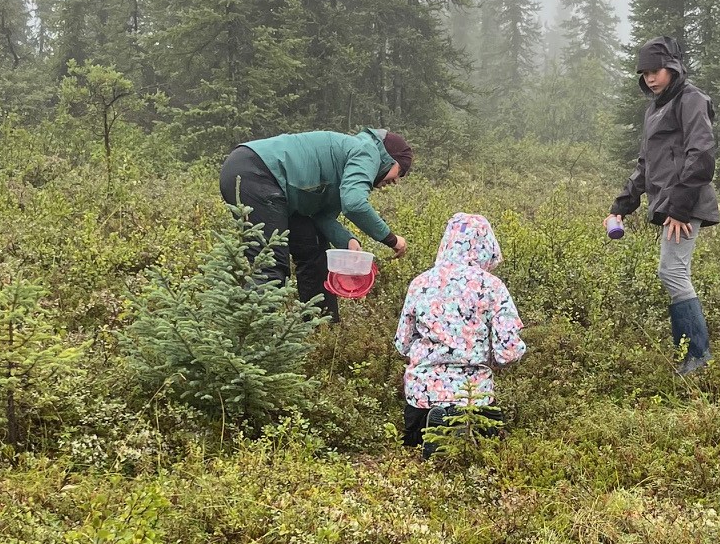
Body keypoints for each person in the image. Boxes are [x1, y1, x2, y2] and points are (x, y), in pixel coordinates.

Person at [607, 38, 718, 374]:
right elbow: (646, 164)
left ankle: (697, 356)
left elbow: (702, 155)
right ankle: (689, 354)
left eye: (654, 71)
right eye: (644, 73)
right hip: (673, 204)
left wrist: (680, 207)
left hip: (685, 204)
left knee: (672, 271)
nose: (649, 79)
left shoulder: (691, 100)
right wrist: (621, 206)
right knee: (673, 271)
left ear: (671, 67)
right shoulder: (655, 108)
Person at [218, 127, 412, 314]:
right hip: (255, 172)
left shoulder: (351, 161)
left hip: (266, 180)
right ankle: (252, 336)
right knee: (270, 266)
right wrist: (391, 239)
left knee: (314, 244)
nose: (396, 181)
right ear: (388, 158)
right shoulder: (368, 151)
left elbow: (321, 215)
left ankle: (318, 326)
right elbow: (354, 203)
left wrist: (347, 241)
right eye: (400, 171)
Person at [393, 213, 525, 452]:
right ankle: (454, 425)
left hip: (420, 397)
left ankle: (433, 424)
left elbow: (402, 344)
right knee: (486, 446)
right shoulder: (491, 286)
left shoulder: (420, 283)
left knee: (416, 440)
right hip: (473, 397)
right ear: (486, 245)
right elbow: (508, 352)